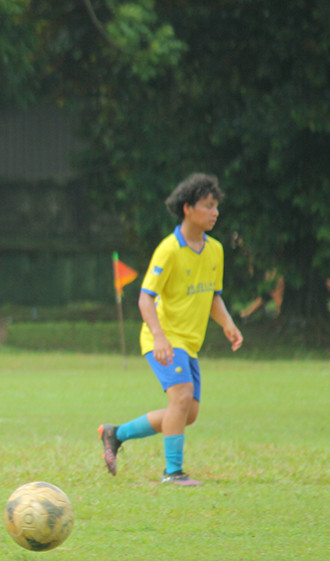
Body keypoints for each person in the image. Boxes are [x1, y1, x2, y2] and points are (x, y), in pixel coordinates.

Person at [98, 173, 243, 486]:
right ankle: (173, 472)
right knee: (181, 398)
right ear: (188, 208)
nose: (215, 212)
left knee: (186, 413)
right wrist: (160, 337)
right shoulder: (169, 249)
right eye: (208, 206)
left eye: (216, 206)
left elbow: (212, 296)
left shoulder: (215, 250)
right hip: (161, 338)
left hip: (189, 343)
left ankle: (115, 434)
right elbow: (145, 299)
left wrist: (228, 323)